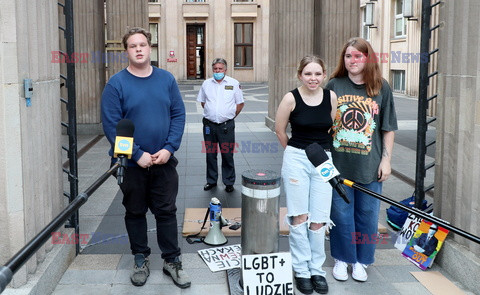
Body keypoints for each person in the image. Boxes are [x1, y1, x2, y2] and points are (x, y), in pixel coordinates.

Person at [101, 27, 190, 289]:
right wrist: (137, 154)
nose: (138, 49)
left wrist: (169, 148)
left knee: (166, 212)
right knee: (135, 212)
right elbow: (112, 125)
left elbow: (178, 115)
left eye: (142, 44)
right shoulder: (116, 84)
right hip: (131, 164)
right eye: (132, 46)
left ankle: (171, 260)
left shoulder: (166, 79)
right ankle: (140, 259)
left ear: (150, 47)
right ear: (126, 50)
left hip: (163, 160)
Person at [325, 37, 398, 282]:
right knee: (341, 215)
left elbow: (387, 128)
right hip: (339, 165)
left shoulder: (381, 87)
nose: (352, 60)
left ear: (367, 58)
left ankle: (360, 260)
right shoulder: (334, 84)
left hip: (369, 165)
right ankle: (342, 258)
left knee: (367, 215)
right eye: (348, 56)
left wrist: (386, 160)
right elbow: (323, 121)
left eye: (357, 56)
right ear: (343, 60)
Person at [275, 55, 337, 294]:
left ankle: (316, 269)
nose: (313, 78)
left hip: (324, 159)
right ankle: (301, 270)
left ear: (324, 75)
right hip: (297, 157)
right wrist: (297, 153)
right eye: (308, 74)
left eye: (318, 74)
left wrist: (318, 154)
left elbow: (329, 126)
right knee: (299, 215)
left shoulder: (331, 96)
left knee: (319, 217)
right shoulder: (291, 98)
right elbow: (280, 131)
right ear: (300, 74)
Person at [196, 58, 244, 193]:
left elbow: (240, 104)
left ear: (225, 70)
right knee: (210, 154)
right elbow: (203, 102)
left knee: (227, 154)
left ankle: (229, 182)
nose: (217, 71)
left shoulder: (234, 84)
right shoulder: (206, 84)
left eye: (220, 69)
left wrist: (229, 116)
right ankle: (211, 181)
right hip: (209, 126)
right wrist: (213, 113)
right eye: (215, 69)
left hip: (226, 126)